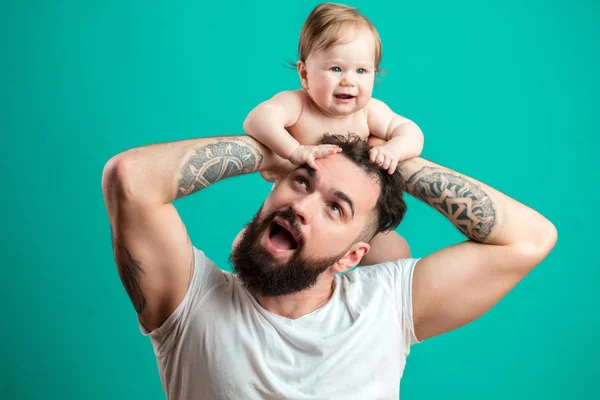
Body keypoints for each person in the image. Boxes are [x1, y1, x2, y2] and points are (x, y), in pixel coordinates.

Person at [101, 133, 557, 399]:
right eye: (301, 181)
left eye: (336, 208)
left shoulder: (386, 307)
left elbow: (531, 238)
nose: (302, 206)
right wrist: (275, 147)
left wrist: (395, 158)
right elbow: (130, 177)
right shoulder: (190, 302)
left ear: (352, 256)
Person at [240, 2, 424, 265]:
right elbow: (257, 119)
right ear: (304, 74)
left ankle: (362, 301)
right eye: (336, 69)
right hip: (296, 215)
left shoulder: (369, 112)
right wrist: (295, 151)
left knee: (396, 252)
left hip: (350, 215)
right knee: (246, 245)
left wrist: (393, 149)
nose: (349, 80)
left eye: (361, 71)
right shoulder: (299, 105)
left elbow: (411, 132)